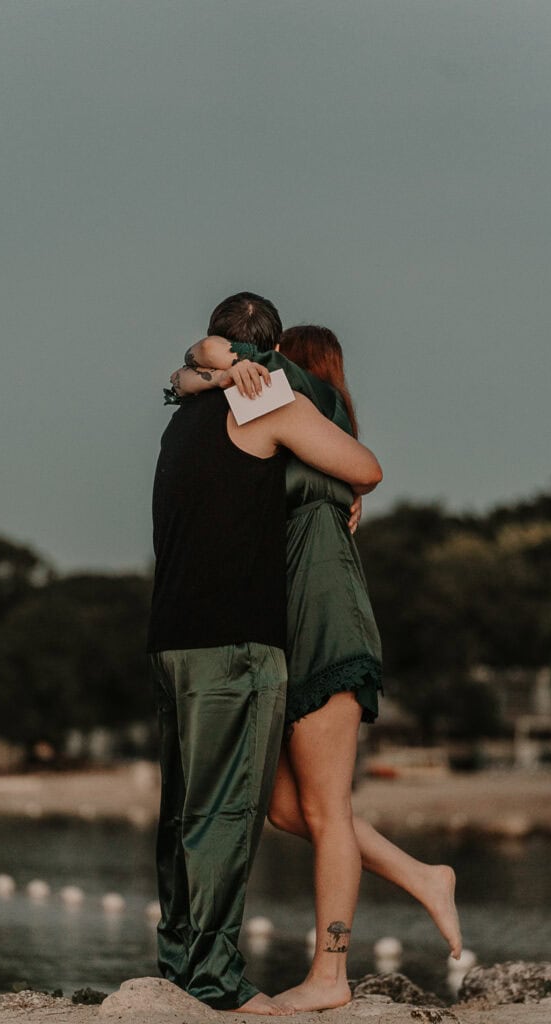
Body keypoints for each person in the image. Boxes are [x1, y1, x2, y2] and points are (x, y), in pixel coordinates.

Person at [171, 324, 461, 1012]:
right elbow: (184, 380)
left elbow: (205, 349)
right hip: (278, 630)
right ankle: (423, 875)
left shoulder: (289, 397)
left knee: (326, 808)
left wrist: (219, 360)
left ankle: (330, 974)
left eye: (270, 355)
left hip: (326, 623)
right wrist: (208, 377)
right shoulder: (308, 439)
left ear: (291, 363)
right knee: (282, 807)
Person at [148, 293, 383, 1014]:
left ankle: (179, 965)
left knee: (185, 812)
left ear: (220, 342)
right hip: (238, 638)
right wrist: (342, 485)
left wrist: (206, 368)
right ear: (271, 351)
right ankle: (215, 983)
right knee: (227, 814)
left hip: (172, 635)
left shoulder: (183, 416)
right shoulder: (270, 402)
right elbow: (365, 467)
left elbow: (183, 369)